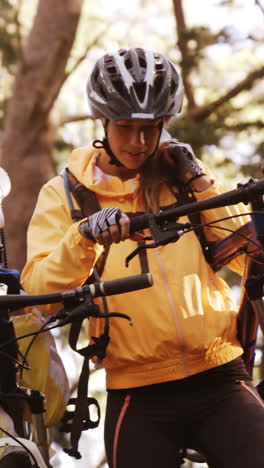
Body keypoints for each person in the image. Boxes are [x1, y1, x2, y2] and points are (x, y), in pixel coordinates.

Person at [21, 48, 264, 468]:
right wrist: (84, 236)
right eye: (126, 127)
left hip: (221, 377)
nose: (138, 142)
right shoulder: (63, 195)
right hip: (138, 394)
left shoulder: (185, 182)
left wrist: (200, 180)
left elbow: (251, 254)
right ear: (103, 123)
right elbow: (38, 294)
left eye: (151, 128)